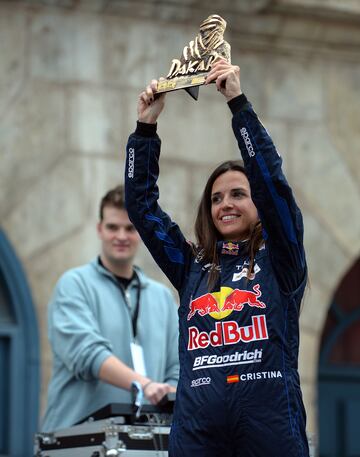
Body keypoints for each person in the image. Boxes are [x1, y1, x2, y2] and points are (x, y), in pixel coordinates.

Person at [124, 59, 309, 457]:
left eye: (238, 194)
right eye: (216, 198)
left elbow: (272, 180)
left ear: (258, 202)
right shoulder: (191, 267)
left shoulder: (283, 258)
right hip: (196, 433)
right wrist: (145, 130)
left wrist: (238, 105)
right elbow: (141, 208)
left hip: (270, 430)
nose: (225, 204)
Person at [42, 185, 179, 432]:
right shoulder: (73, 285)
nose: (121, 236)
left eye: (130, 228)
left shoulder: (163, 297)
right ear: (99, 229)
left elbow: (177, 367)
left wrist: (169, 389)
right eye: (112, 227)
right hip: (75, 439)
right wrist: (145, 385)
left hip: (145, 442)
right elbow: (87, 354)